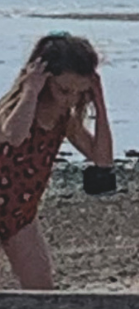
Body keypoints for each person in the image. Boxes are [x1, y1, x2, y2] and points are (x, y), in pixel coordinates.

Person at [0, 33, 115, 289]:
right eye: (63, 90)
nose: (69, 99)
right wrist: (30, 91)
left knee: (42, 290)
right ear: (45, 80)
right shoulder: (16, 108)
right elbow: (14, 136)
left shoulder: (65, 119)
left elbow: (103, 159)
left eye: (78, 92)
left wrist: (99, 102)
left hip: (21, 214)